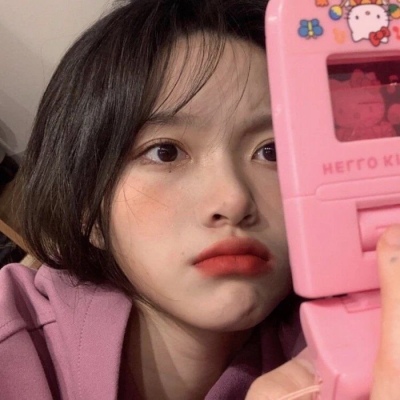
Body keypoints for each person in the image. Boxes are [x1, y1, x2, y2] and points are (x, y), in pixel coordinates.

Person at [0, 0, 399, 399]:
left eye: (272, 151)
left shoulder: (371, 341)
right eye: (165, 152)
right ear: (88, 205)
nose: (233, 200)